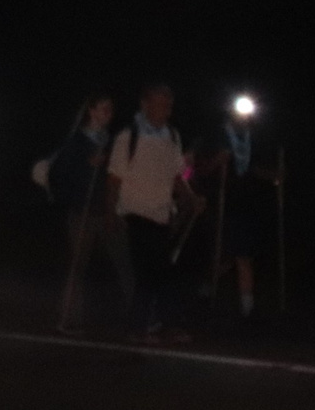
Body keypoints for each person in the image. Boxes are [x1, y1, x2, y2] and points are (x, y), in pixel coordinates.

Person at [106, 83, 193, 342]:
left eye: (168, 105)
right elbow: (113, 178)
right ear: (145, 105)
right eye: (159, 104)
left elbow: (179, 175)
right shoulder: (129, 136)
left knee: (162, 272)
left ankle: (158, 325)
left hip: (163, 214)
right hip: (136, 213)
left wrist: (190, 197)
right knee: (150, 272)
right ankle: (141, 328)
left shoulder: (172, 136)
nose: (165, 110)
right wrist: (111, 214)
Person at [49, 94, 131, 332]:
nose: (109, 114)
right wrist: (86, 167)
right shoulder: (76, 141)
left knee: (124, 262)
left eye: (111, 109)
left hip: (108, 210)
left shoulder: (113, 140)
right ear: (92, 111)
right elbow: (59, 175)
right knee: (78, 264)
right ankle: (69, 317)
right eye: (104, 109)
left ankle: (138, 316)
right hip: (83, 210)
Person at [198, 94, 278, 321]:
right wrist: (217, 162)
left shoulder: (254, 138)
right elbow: (199, 169)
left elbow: (254, 169)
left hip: (246, 204)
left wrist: (274, 177)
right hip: (220, 201)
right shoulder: (216, 135)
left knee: (244, 256)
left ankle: (247, 309)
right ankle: (206, 290)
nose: (243, 118)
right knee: (223, 255)